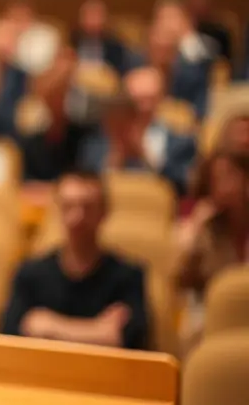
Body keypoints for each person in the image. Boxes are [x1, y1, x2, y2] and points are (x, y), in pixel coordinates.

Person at [0, 172, 149, 350]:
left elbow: (128, 341)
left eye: (87, 207)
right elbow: (9, 339)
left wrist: (49, 326)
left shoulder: (128, 276)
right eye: (68, 206)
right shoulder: (29, 274)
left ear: (104, 212)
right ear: (57, 210)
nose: (77, 218)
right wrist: (97, 330)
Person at [77, 67, 197, 196]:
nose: (143, 107)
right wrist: (116, 154)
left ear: (162, 99)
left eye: (150, 99)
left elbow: (183, 188)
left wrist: (145, 155)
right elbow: (86, 186)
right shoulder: (95, 142)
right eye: (136, 101)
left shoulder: (182, 143)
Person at [176, 150, 249, 352]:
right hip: (214, 316)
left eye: (231, 176)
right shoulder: (205, 229)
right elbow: (181, 281)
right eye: (218, 180)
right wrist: (195, 228)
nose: (227, 186)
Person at [71, 0, 130, 75]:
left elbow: (120, 73)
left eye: (97, 17)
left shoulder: (115, 46)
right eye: (89, 16)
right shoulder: (71, 42)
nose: (93, 22)